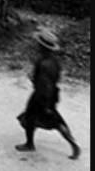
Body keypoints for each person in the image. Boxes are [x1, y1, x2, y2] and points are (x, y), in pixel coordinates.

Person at [15, 28, 81, 160]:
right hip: (52, 95)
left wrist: (44, 103)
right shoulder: (54, 62)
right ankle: (73, 144)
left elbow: (44, 84)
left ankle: (29, 144)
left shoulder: (44, 63)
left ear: (42, 46)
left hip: (41, 95)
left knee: (30, 117)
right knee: (56, 120)